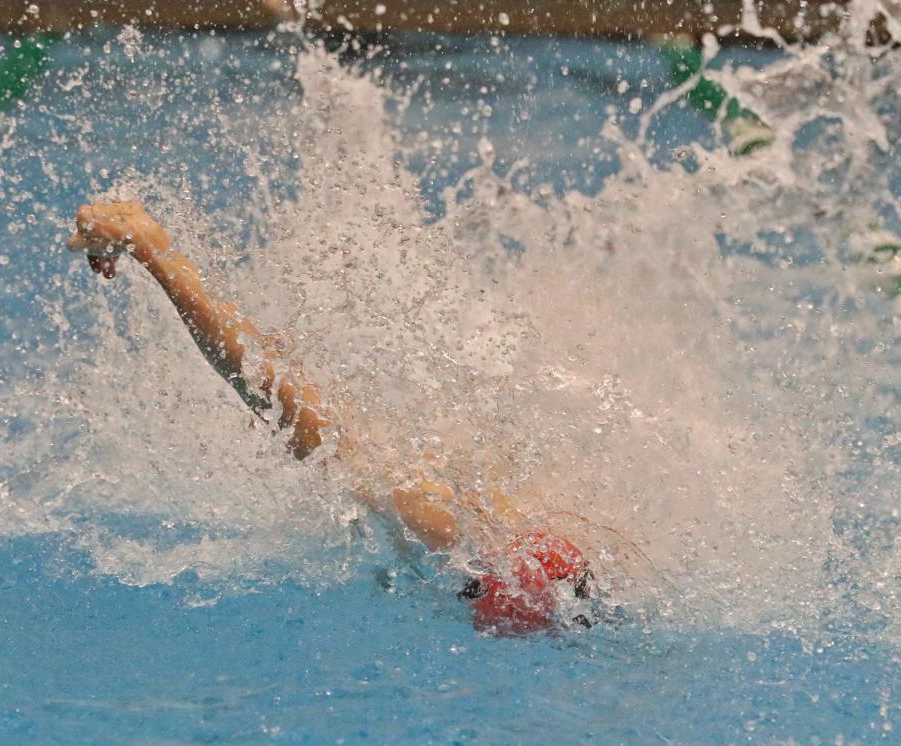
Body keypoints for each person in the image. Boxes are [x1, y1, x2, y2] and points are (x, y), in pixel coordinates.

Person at [68, 200, 600, 633]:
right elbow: (273, 390)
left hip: (496, 505)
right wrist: (154, 254)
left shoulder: (567, 545)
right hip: (452, 503)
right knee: (299, 420)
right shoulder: (441, 530)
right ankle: (148, 242)